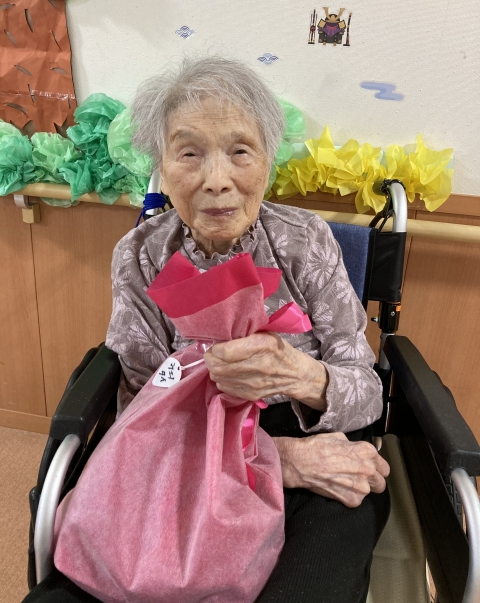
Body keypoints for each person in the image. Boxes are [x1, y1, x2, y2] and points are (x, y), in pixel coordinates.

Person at [24, 57, 390, 603]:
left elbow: (367, 394)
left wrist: (302, 376)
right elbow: (141, 419)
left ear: (267, 161)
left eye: (240, 151)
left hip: (313, 445)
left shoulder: (306, 241)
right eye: (189, 153)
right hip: (183, 459)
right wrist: (274, 461)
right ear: (162, 164)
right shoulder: (141, 257)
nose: (217, 181)